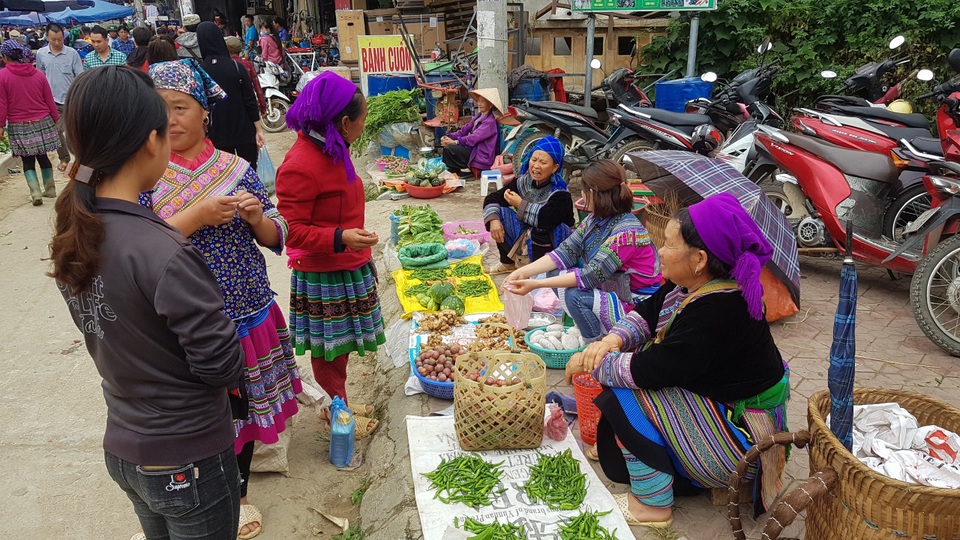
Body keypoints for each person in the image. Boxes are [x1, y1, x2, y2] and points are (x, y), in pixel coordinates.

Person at [49, 65, 243, 540]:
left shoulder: (76, 229)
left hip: (125, 447)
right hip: (188, 456)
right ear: (150, 142)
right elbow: (222, 366)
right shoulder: (163, 250)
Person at [145, 59, 301, 540]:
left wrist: (256, 217)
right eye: (160, 109)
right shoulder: (146, 176)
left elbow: (280, 235)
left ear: (205, 112)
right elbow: (138, 244)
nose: (170, 119)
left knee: (246, 409)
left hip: (246, 308)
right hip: (183, 319)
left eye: (180, 107)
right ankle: (199, 493)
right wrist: (195, 217)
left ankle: (240, 493)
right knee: (202, 412)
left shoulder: (235, 168)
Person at [569, 193, 790, 527]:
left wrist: (590, 361)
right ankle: (644, 453)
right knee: (622, 365)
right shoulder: (695, 285)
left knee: (622, 390)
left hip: (746, 440)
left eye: (669, 244)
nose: (660, 251)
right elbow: (648, 310)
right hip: (722, 404)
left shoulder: (718, 311)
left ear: (699, 258)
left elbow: (649, 371)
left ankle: (653, 505)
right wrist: (611, 339)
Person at [275, 72, 383, 438]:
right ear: (344, 122)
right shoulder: (300, 165)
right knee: (329, 351)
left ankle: (341, 401)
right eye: (362, 121)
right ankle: (338, 420)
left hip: (348, 262)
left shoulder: (334, 146)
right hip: (324, 272)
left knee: (343, 347)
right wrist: (341, 237)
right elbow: (291, 231)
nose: (363, 127)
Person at [503, 160, 662, 342]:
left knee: (575, 295)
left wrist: (535, 285)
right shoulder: (594, 220)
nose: (583, 196)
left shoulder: (626, 234)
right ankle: (591, 328)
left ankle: (594, 344)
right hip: (613, 290)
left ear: (592, 193)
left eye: (584, 191)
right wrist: (521, 272)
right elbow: (564, 252)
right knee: (554, 272)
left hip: (637, 304)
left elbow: (590, 276)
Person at [482, 135, 575, 275]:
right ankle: (507, 264)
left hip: (556, 242)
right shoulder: (523, 182)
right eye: (534, 160)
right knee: (498, 213)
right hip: (529, 235)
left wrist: (520, 204)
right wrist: (494, 220)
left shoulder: (561, 193)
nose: (536, 166)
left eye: (543, 162)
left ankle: (538, 270)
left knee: (540, 229)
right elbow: (493, 197)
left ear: (555, 167)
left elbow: (546, 220)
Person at [0, 39, 60, 206]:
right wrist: (56, 119)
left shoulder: (2, 76)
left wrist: (0, 125)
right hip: (43, 121)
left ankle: (35, 193)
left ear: (5, 57)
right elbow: (49, 99)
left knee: (27, 161)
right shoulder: (38, 74)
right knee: (43, 156)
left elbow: (2, 103)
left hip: (19, 124)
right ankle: (50, 189)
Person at [197, 22, 264, 168]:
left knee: (225, 182)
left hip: (217, 135)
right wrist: (258, 129)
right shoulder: (236, 66)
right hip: (244, 132)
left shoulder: (199, 71)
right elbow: (250, 100)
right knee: (248, 176)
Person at [36, 23, 83, 173]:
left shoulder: (72, 53)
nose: (57, 43)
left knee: (73, 132)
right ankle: (64, 158)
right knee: (56, 132)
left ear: (64, 37)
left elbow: (79, 76)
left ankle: (79, 159)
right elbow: (40, 76)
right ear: (47, 37)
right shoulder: (41, 54)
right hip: (51, 100)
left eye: (60, 39)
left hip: (70, 99)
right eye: (53, 39)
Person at [441, 88, 502, 173]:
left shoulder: (489, 122)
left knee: (449, 148)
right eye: (478, 101)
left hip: (481, 155)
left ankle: (465, 171)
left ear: (490, 105)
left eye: (482, 102)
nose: (479, 104)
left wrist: (455, 142)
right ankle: (455, 170)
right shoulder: (479, 116)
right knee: (448, 148)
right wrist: (448, 137)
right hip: (474, 149)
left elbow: (473, 138)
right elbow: (464, 130)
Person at [225, 35, 266, 117]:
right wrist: (263, 107)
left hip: (230, 108)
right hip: (248, 106)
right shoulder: (248, 65)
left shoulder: (224, 65)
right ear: (240, 50)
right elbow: (257, 87)